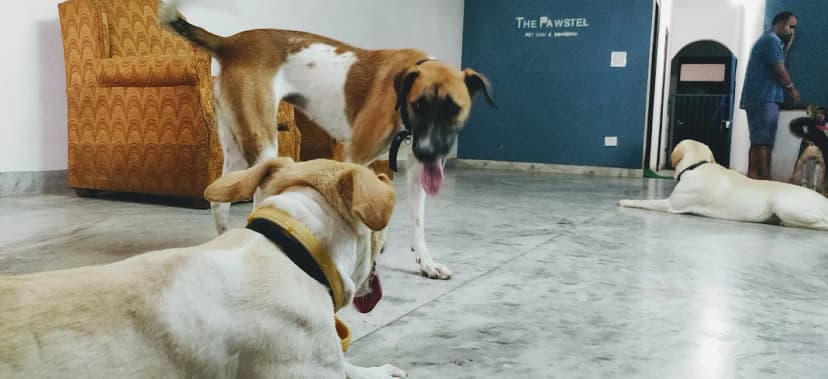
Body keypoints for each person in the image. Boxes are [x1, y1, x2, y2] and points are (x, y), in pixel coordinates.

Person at [740, 11, 801, 180]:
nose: (792, 31)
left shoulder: (765, 40)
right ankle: (766, 180)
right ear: (780, 24)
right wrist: (792, 89)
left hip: (756, 97)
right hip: (765, 97)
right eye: (790, 26)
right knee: (764, 141)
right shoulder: (771, 41)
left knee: (757, 140)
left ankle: (752, 176)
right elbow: (779, 69)